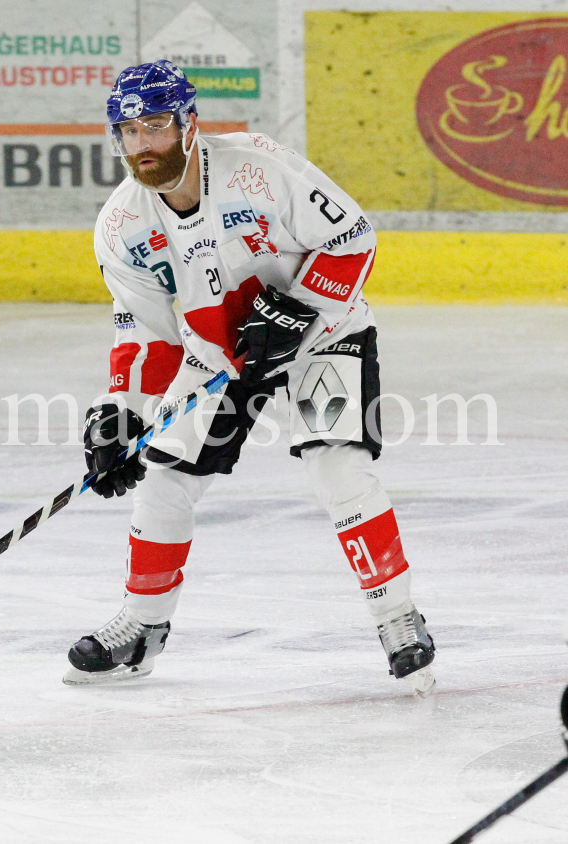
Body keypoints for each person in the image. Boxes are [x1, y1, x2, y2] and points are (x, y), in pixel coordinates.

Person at [63, 60, 436, 696]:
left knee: (337, 464)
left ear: (188, 124)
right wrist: (121, 412)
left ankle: (398, 618)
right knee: (164, 475)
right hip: (219, 358)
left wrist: (297, 311)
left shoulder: (258, 169)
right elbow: (145, 334)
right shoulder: (122, 227)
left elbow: (352, 237)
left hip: (326, 332)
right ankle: (142, 629)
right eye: (128, 131)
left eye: (155, 126)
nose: (142, 144)